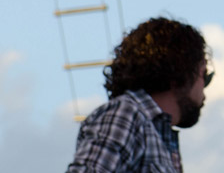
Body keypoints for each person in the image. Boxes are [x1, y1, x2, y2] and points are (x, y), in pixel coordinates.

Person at [66, 17, 213, 173]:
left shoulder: (155, 135)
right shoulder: (126, 115)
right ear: (181, 73)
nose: (204, 88)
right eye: (204, 75)